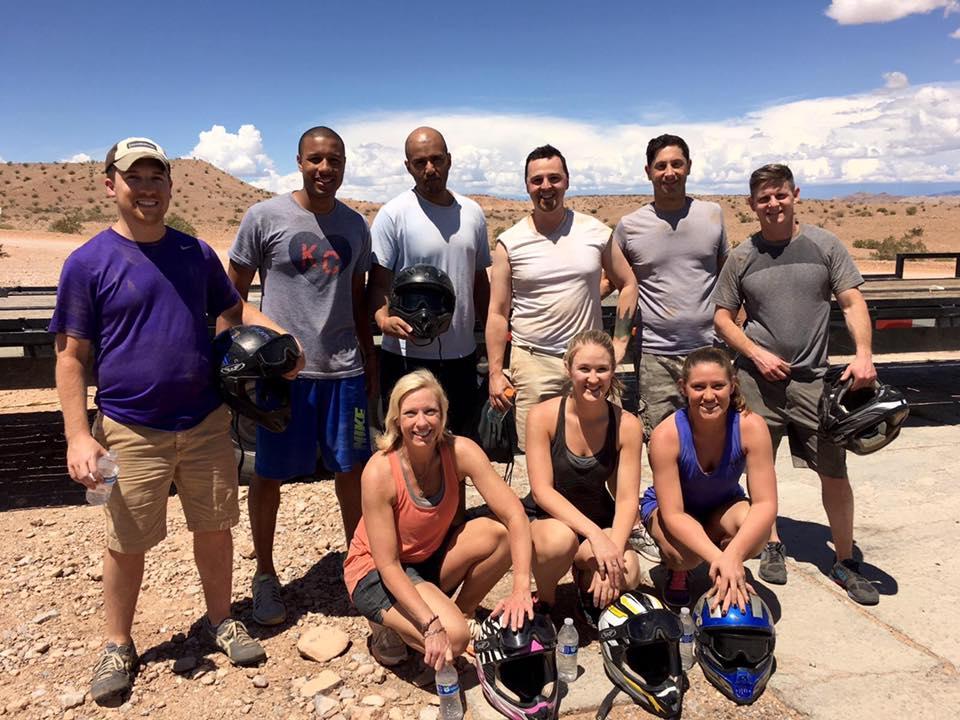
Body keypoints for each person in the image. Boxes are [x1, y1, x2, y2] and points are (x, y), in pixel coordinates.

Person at [50, 137, 304, 704]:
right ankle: (118, 643)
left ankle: (220, 620)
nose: (146, 189)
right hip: (128, 427)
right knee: (127, 538)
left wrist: (280, 339)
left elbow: (234, 312)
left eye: (155, 178)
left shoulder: (194, 254)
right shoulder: (88, 262)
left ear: (170, 185)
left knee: (215, 527)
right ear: (110, 184)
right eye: (133, 178)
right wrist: (75, 435)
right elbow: (70, 356)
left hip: (207, 420)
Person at [224, 126, 375, 627]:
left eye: (334, 160)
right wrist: (257, 347)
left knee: (352, 473)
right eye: (315, 160)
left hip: (344, 371)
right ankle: (265, 574)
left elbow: (356, 301)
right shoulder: (264, 217)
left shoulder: (355, 226)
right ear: (299, 161)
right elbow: (232, 297)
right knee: (268, 474)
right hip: (283, 376)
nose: (324, 169)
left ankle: (360, 569)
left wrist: (368, 368)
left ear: (345, 163)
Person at [713, 163, 880, 605]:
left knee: (833, 470)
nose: (773, 204)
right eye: (763, 198)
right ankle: (771, 543)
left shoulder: (825, 246)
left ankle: (845, 560)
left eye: (780, 195)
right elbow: (722, 318)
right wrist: (755, 353)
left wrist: (863, 354)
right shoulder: (742, 256)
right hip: (756, 382)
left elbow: (851, 299)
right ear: (752, 204)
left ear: (795, 195)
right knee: (760, 470)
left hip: (813, 382)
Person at [343, 370, 534, 670]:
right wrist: (432, 624)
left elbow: (515, 515)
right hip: (377, 571)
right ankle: (389, 626)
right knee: (453, 640)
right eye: (411, 414)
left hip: (425, 559)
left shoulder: (460, 451)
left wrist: (521, 586)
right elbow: (388, 565)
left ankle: (460, 612)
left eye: (430, 411)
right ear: (396, 420)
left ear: (443, 415)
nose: (422, 423)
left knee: (499, 535)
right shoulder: (380, 472)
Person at [487, 145, 638, 451]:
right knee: (538, 453)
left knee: (597, 449)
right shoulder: (510, 242)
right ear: (527, 186)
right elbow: (498, 313)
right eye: (537, 180)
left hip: (589, 365)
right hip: (533, 363)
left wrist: (619, 344)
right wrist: (495, 373)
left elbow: (628, 282)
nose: (546, 187)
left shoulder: (594, 232)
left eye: (554, 178)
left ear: (567, 181)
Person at [367, 127, 490, 435]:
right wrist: (382, 319)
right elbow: (379, 281)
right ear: (408, 166)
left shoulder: (472, 214)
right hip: (406, 357)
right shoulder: (393, 214)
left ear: (449, 160)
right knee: (407, 446)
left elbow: (479, 282)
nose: (430, 169)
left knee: (458, 446)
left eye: (437, 159)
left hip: (462, 355)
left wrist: (491, 340)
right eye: (420, 162)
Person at [604, 134, 728, 440]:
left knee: (714, 439)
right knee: (661, 441)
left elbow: (729, 277)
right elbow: (613, 281)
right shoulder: (629, 226)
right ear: (648, 171)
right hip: (655, 357)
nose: (669, 172)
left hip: (709, 350)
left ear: (688, 167)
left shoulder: (712, 215)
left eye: (677, 164)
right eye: (661, 166)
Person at [523, 330, 643, 625]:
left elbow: (627, 498)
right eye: (584, 369)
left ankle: (585, 577)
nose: (593, 378)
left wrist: (612, 548)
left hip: (597, 518)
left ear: (613, 371)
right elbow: (542, 491)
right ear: (568, 369)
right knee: (558, 542)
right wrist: (595, 534)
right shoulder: (542, 416)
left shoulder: (627, 424)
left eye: (602, 369)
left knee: (629, 571)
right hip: (549, 520)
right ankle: (547, 598)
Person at [643, 347, 778, 610]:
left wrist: (735, 554)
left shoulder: (752, 426)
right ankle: (680, 570)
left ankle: (729, 562)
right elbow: (674, 515)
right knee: (685, 555)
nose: (708, 396)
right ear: (683, 388)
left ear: (733, 385)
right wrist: (720, 558)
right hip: (675, 511)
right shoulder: (666, 435)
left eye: (718, 386)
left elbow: (765, 504)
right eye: (698, 387)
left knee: (758, 531)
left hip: (723, 507)